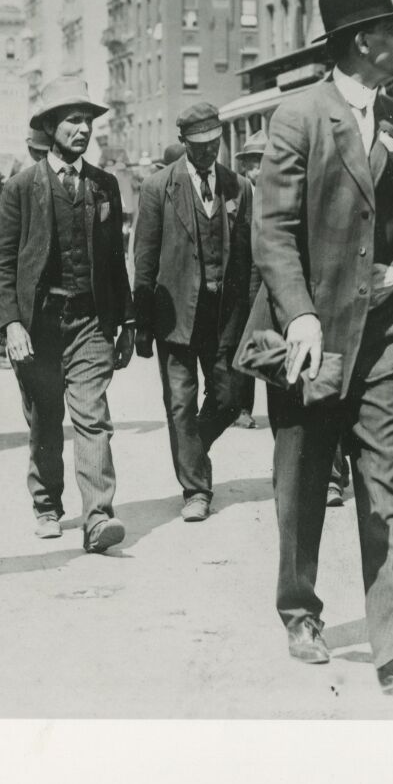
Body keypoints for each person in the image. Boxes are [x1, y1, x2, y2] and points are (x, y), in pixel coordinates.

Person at [241, 0, 393, 694]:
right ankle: (300, 609)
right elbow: (270, 229)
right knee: (302, 480)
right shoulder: (299, 116)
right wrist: (299, 313)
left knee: (384, 473)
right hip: (311, 335)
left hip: (383, 331)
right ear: (364, 40)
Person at [0, 84, 135, 552]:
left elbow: (116, 261)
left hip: (90, 321)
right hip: (38, 324)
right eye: (73, 120)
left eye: (88, 120)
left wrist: (126, 322)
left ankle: (98, 517)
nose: (84, 129)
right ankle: (47, 505)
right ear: (50, 128)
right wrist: (11, 323)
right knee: (46, 418)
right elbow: (2, 262)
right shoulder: (20, 188)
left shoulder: (104, 184)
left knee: (93, 417)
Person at [133, 104, 254, 521]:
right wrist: (142, 324)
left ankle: (192, 450)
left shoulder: (239, 187)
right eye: (200, 146)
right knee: (180, 404)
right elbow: (144, 259)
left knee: (229, 398)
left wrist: (251, 320)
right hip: (175, 318)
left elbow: (249, 260)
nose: (208, 153)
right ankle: (196, 490)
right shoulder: (157, 187)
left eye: (215, 145)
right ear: (184, 143)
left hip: (224, 317)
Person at [230, 130, 268, 426]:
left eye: (264, 162)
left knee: (272, 343)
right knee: (244, 341)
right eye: (253, 164)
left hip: (274, 278)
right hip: (245, 281)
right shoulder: (237, 194)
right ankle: (242, 407)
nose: (259, 170)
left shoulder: (283, 192)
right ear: (245, 167)